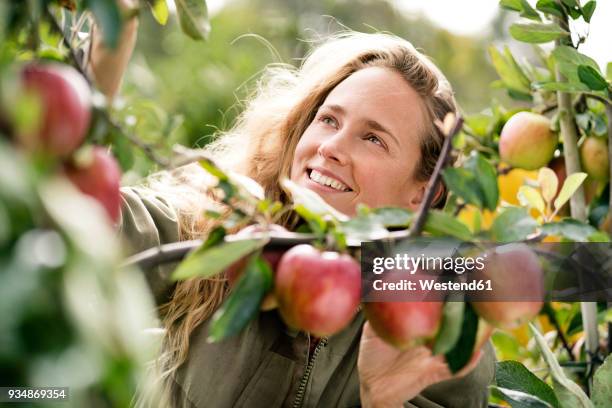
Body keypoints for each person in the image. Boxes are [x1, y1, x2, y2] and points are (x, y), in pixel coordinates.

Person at [91, 5, 495, 407]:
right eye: (329, 120)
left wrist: (380, 400)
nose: (331, 147)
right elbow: (83, 225)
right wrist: (104, 62)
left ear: (422, 194)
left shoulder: (440, 314)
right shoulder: (220, 223)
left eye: (373, 139)